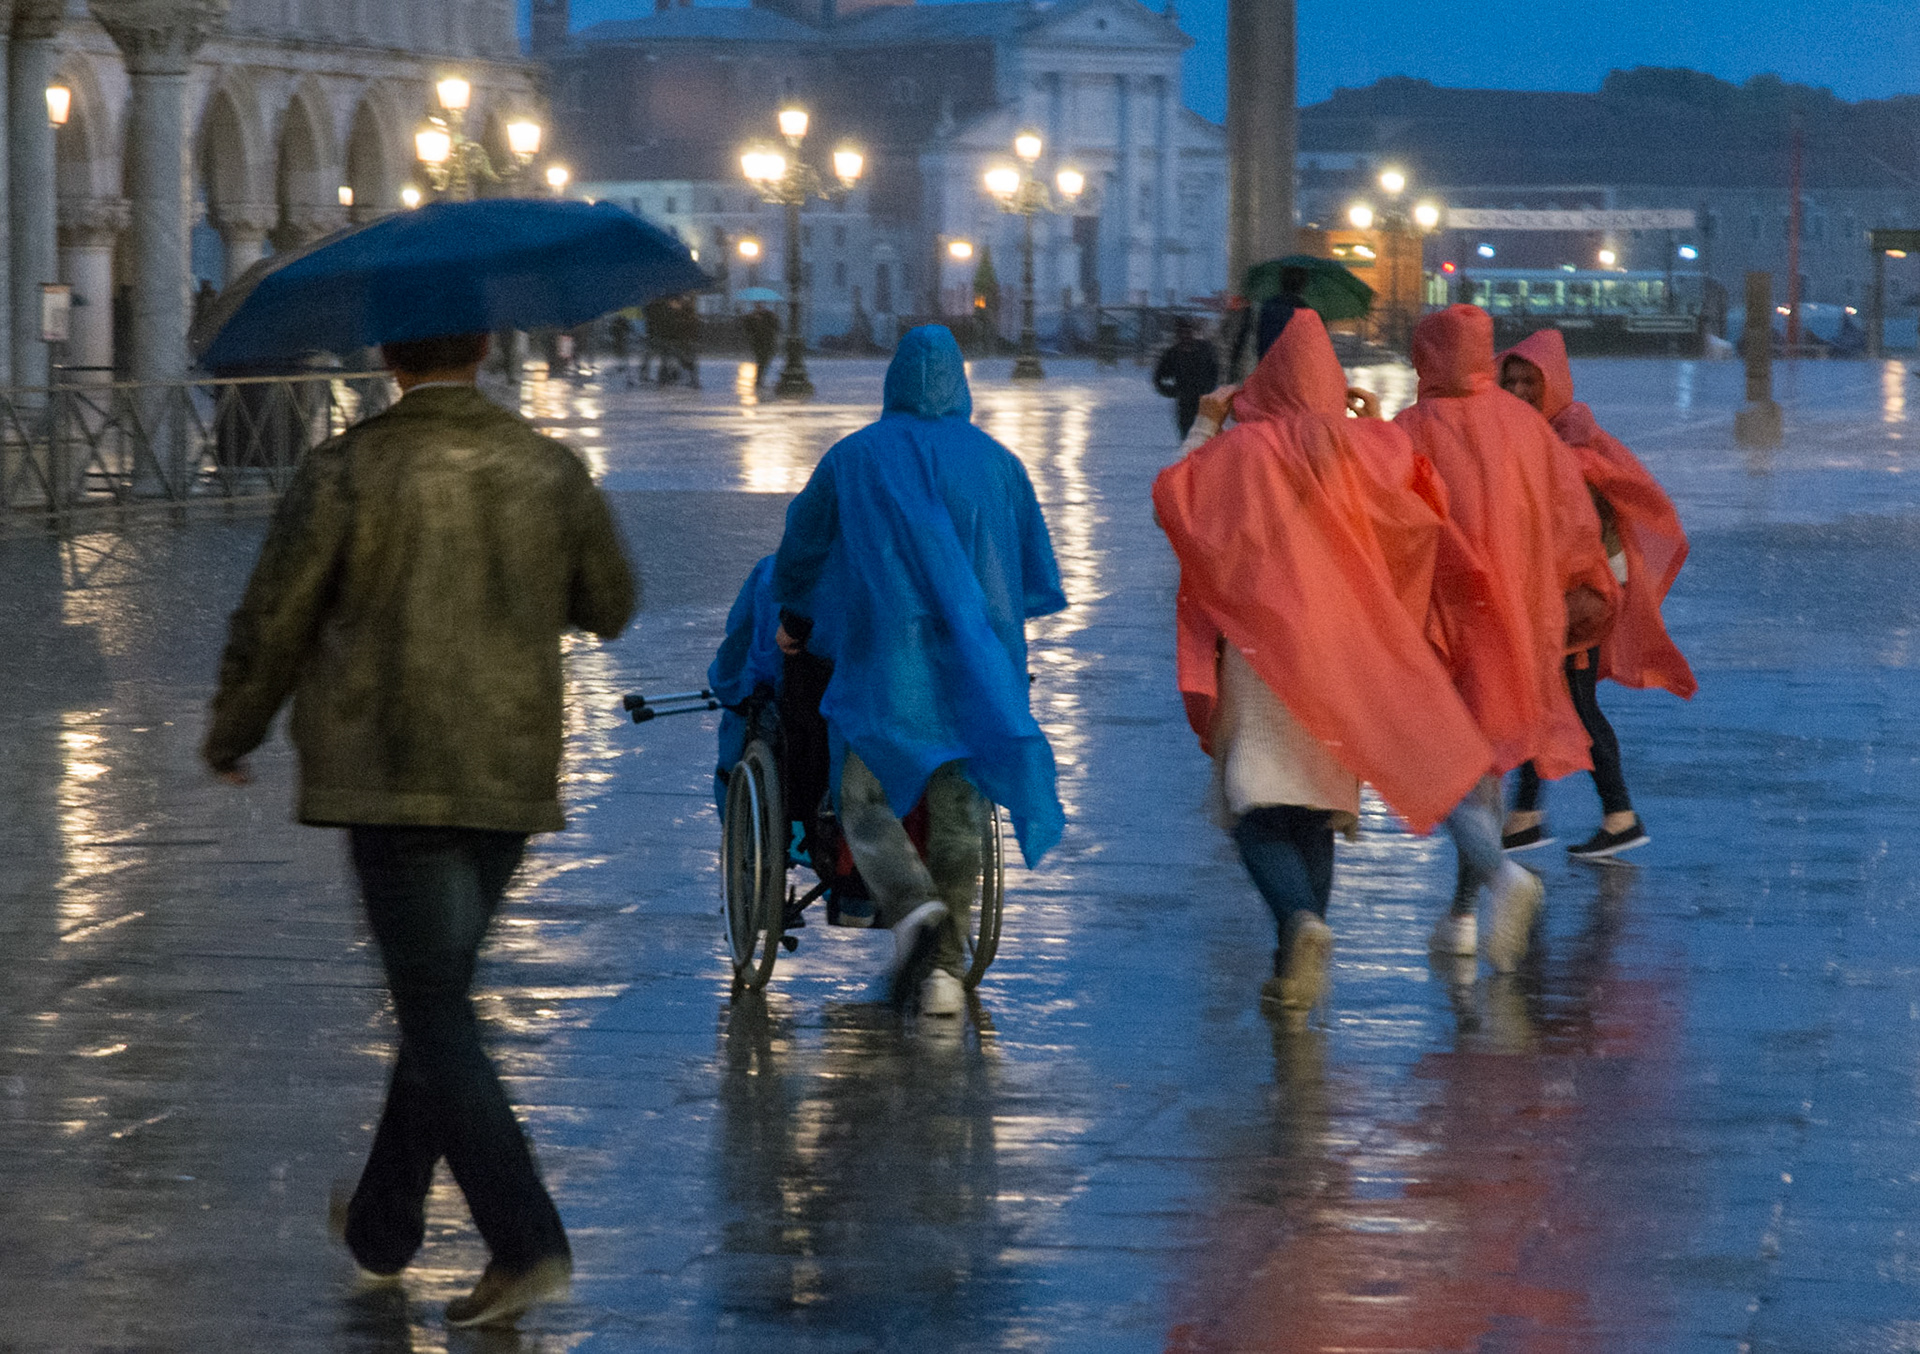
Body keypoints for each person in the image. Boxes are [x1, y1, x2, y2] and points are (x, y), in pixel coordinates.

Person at [200, 330, 636, 1328]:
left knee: (437, 1010)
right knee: (436, 998)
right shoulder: (548, 465)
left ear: (393, 358)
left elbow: (278, 615)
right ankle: (386, 1221)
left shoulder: (346, 469)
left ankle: (526, 1240)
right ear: (484, 349)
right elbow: (609, 604)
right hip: (507, 774)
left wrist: (233, 728)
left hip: (389, 772)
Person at [1154, 308, 1494, 1014]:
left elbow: (1176, 505)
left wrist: (1210, 424)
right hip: (1343, 656)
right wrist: (1372, 423)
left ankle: (1300, 926)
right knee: (1316, 811)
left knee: (1255, 805)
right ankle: (1293, 966)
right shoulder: (1366, 450)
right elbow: (1420, 502)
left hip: (1264, 651)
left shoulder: (1241, 452)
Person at [770, 324, 1067, 1016]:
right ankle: (945, 972)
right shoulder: (999, 463)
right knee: (962, 805)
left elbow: (803, 549)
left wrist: (793, 616)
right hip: (977, 662)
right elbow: (1033, 575)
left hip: (886, 657)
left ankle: (912, 907)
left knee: (865, 798)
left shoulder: (853, 458)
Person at [1394, 305, 1618, 971]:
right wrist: (1577, 597)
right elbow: (1573, 522)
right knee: (1483, 775)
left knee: (1448, 770)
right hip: (1523, 619)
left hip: (1444, 621)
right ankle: (1461, 918)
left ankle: (1501, 880)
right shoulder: (1527, 428)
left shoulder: (1409, 429)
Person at [1495, 328, 1696, 858]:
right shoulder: (1541, 434)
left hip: (1582, 595)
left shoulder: (1569, 441)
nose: (1516, 392)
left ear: (1551, 386)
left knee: (1575, 702)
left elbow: (1576, 531)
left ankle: (1619, 815)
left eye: (1528, 383)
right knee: (1547, 698)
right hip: (1568, 591)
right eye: (1509, 381)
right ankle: (1526, 816)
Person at [1152, 317, 1221, 438]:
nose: (1185, 335)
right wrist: (1174, 391)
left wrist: (1208, 388)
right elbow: (1159, 378)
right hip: (1185, 404)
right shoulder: (1173, 354)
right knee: (1188, 436)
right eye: (1182, 332)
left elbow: (1215, 371)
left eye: (1188, 331)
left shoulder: (1204, 350)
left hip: (1204, 401)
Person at [742, 302, 780, 387]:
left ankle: (760, 378)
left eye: (760, 304)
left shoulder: (769, 315)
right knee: (761, 360)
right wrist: (752, 319)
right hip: (758, 342)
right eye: (757, 304)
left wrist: (774, 319)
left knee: (766, 360)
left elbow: (776, 327)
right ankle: (759, 379)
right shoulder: (751, 316)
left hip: (768, 341)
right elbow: (747, 329)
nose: (759, 306)